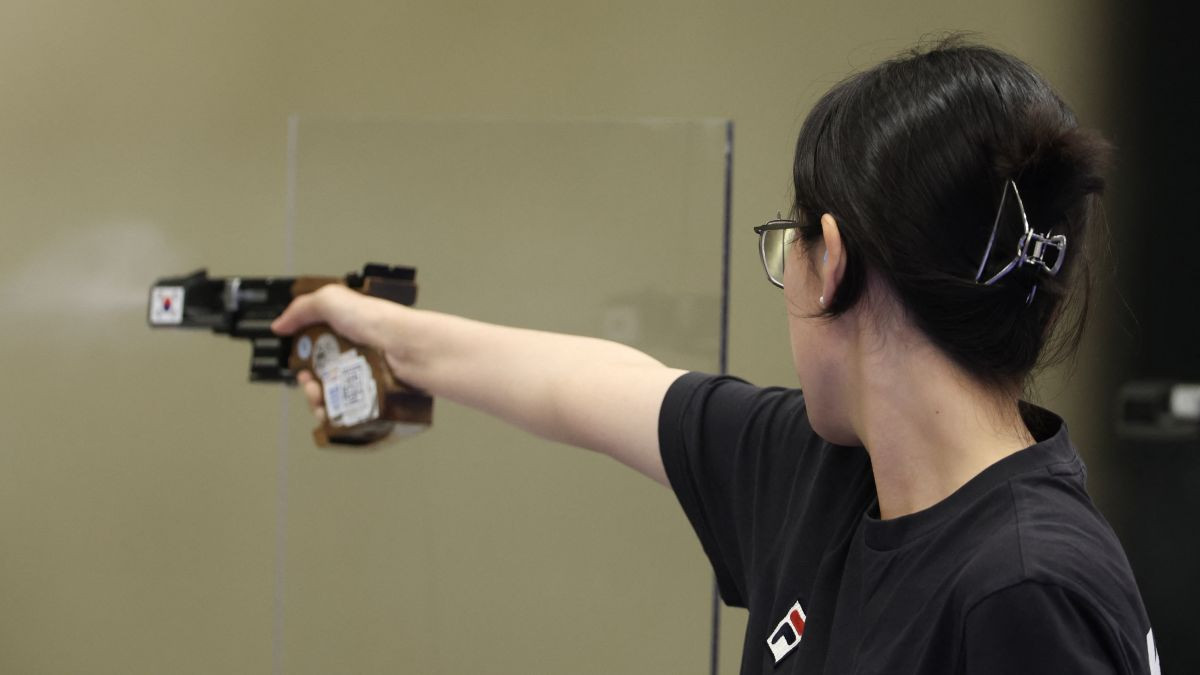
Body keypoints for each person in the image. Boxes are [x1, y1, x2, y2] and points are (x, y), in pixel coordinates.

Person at [271, 39, 1158, 674]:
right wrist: (380, 335)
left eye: (788, 246)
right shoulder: (830, 472)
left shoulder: (1026, 585)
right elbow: (595, 386)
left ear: (833, 260)